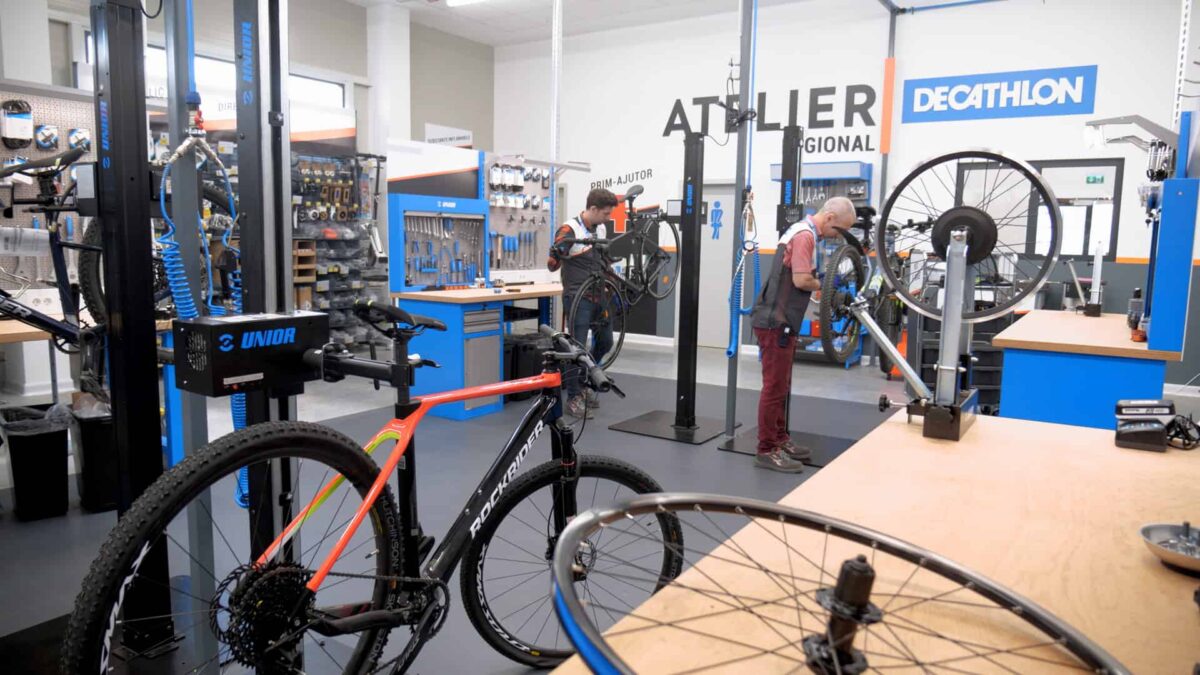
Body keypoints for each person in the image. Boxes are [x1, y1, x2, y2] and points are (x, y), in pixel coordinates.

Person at [749, 197, 857, 473]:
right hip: (775, 321)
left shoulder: (803, 232)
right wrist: (826, 283)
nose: (839, 236)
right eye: (841, 229)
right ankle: (766, 449)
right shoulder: (805, 236)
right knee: (774, 387)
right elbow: (801, 280)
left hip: (782, 320)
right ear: (830, 217)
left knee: (781, 386)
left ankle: (779, 439)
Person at [547, 188, 618, 419]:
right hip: (578, 297)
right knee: (576, 349)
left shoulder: (601, 228)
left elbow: (604, 259)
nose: (608, 218)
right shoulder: (569, 229)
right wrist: (558, 251)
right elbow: (551, 265)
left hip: (599, 295)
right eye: (605, 213)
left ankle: (584, 380)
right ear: (593, 209)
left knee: (605, 342)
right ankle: (574, 397)